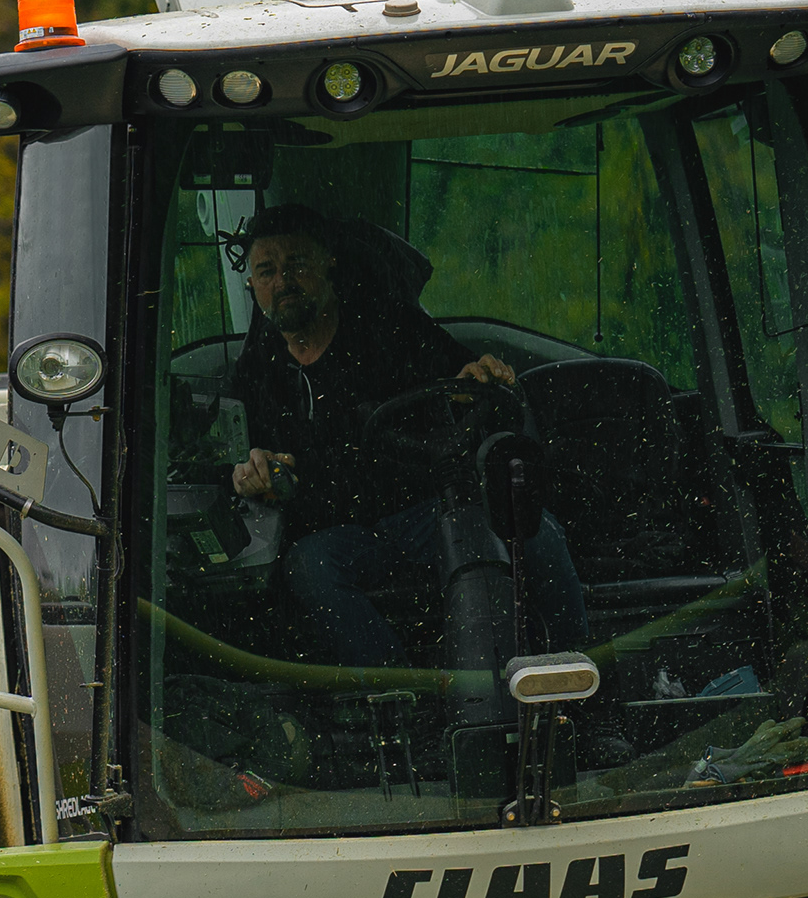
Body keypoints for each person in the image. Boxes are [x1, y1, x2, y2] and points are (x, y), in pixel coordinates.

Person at [223, 203, 592, 669]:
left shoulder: (391, 327)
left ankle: (578, 682)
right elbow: (233, 460)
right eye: (267, 271)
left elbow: (467, 379)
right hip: (341, 533)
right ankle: (402, 702)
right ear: (252, 285)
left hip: (427, 511)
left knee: (534, 532)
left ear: (328, 263)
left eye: (297, 263)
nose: (283, 281)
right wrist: (251, 474)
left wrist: (479, 378)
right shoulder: (255, 370)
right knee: (308, 567)